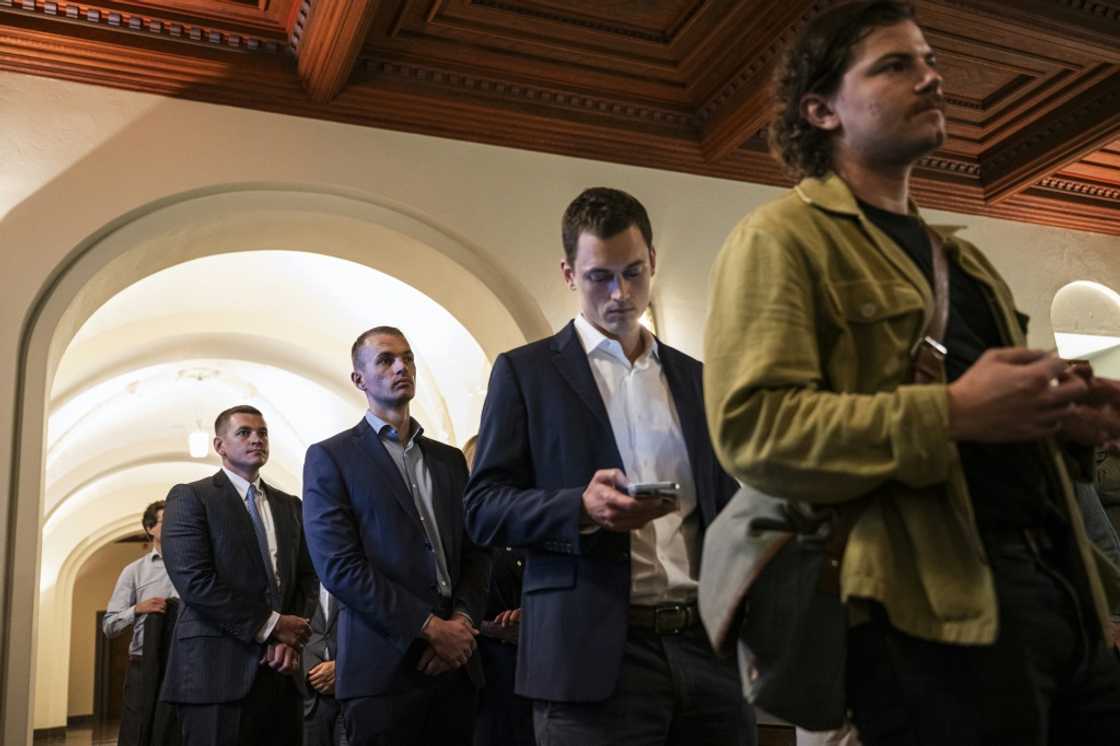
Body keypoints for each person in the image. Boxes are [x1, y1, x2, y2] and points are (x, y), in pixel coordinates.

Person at [702, 2, 1120, 744]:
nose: (930, 79)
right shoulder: (780, 239)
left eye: (929, 62)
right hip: (928, 617)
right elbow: (755, 431)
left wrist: (1066, 425)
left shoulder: (965, 261)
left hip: (1063, 596)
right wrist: (952, 412)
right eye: (896, 65)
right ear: (821, 109)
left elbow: (994, 430)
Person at [464, 187, 755, 746]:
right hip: (592, 655)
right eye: (600, 276)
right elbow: (482, 508)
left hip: (707, 650)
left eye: (634, 272)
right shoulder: (528, 374)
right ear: (569, 273)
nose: (621, 293)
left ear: (653, 264)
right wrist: (579, 506)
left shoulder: (696, 377)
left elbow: (727, 502)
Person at [302, 326, 491, 746]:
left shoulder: (448, 461)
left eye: (407, 358)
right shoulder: (331, 457)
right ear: (359, 379)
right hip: (382, 668)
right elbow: (339, 567)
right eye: (385, 360)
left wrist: (460, 623)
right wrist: (428, 628)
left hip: (456, 663)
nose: (401, 367)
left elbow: (476, 554)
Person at [160, 405, 317, 746]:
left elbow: (307, 579)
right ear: (219, 446)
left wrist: (291, 638)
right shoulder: (191, 497)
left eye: (262, 433)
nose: (256, 439)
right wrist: (273, 626)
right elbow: (195, 582)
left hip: (281, 672)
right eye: (244, 433)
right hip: (215, 672)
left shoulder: (290, 505)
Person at [463, 435, 535, 746]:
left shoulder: (530, 523)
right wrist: (488, 626)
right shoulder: (464, 530)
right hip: (486, 671)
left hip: (535, 663)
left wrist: (531, 614)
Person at [103, 501, 179, 746]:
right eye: (167, 522)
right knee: (139, 734)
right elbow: (110, 626)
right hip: (143, 667)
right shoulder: (133, 572)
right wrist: (138, 609)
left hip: (185, 665)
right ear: (150, 528)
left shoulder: (195, 567)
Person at [303, 586, 347, 746]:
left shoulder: (360, 568)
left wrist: (343, 669)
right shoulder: (294, 567)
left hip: (352, 694)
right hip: (308, 695)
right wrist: (310, 669)